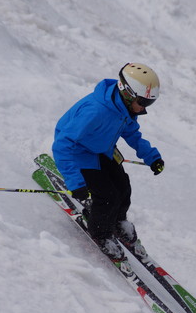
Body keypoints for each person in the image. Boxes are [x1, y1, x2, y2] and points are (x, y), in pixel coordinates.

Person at [52, 63, 165, 263]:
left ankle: (119, 221)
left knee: (123, 188)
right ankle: (101, 233)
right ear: (128, 93)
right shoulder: (95, 111)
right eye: (143, 102)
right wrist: (75, 182)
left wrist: (151, 156)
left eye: (150, 103)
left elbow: (131, 133)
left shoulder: (125, 108)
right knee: (107, 197)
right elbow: (62, 145)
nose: (144, 109)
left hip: (102, 148)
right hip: (80, 152)